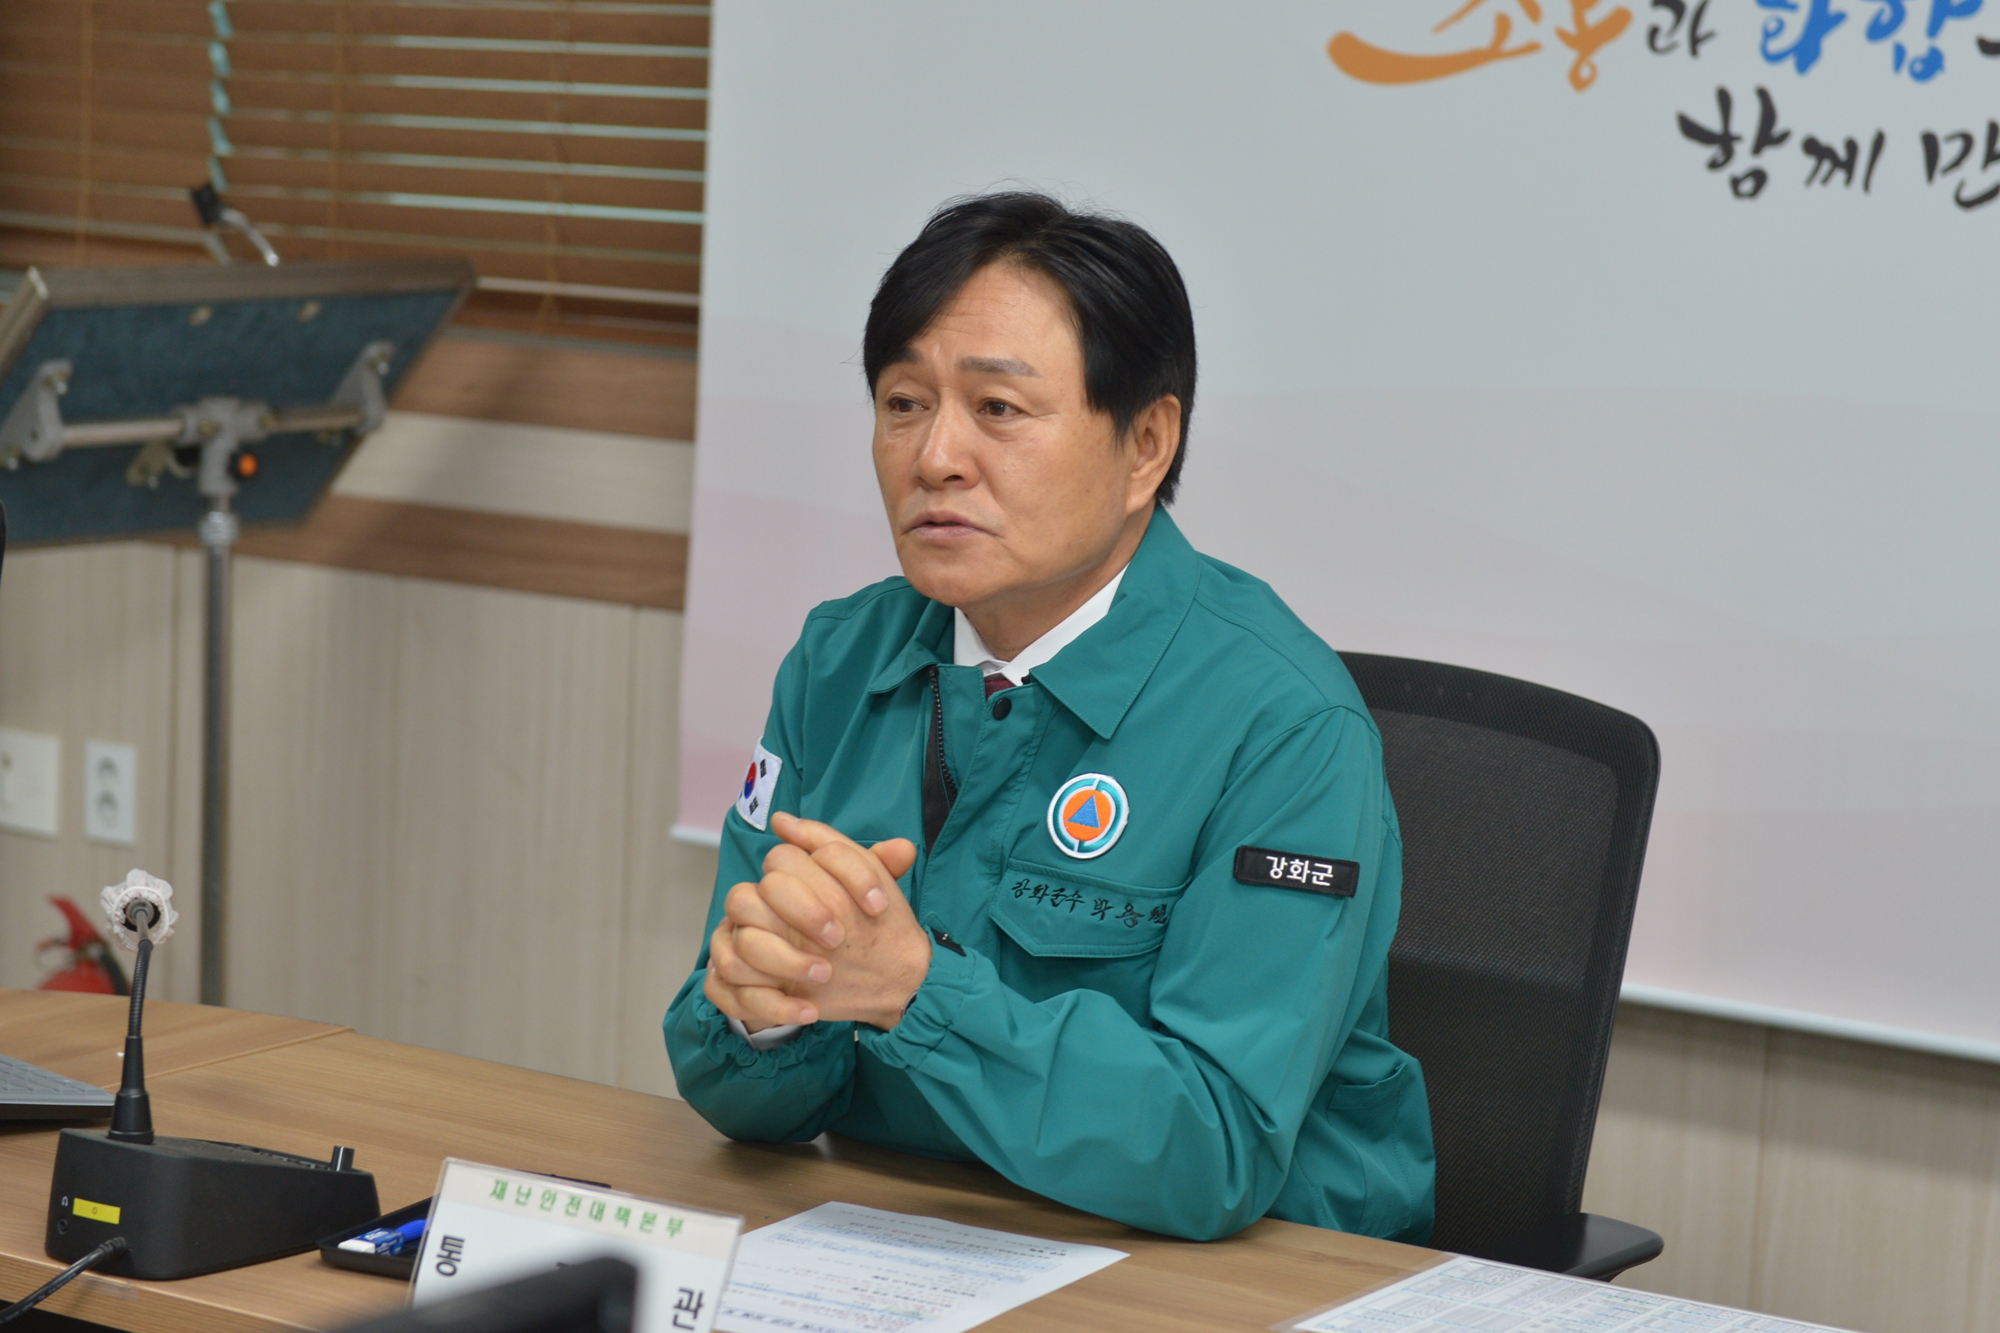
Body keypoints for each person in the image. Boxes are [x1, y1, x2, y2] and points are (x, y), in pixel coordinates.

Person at [664, 192, 1434, 1243]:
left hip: (1233, 1275)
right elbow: (735, 1090)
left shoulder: (1286, 724)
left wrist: (913, 992)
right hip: (910, 1238)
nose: (935, 456)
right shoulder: (839, 660)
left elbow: (1215, 1149)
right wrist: (761, 1014)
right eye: (903, 403)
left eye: (998, 409)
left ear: (1145, 444)